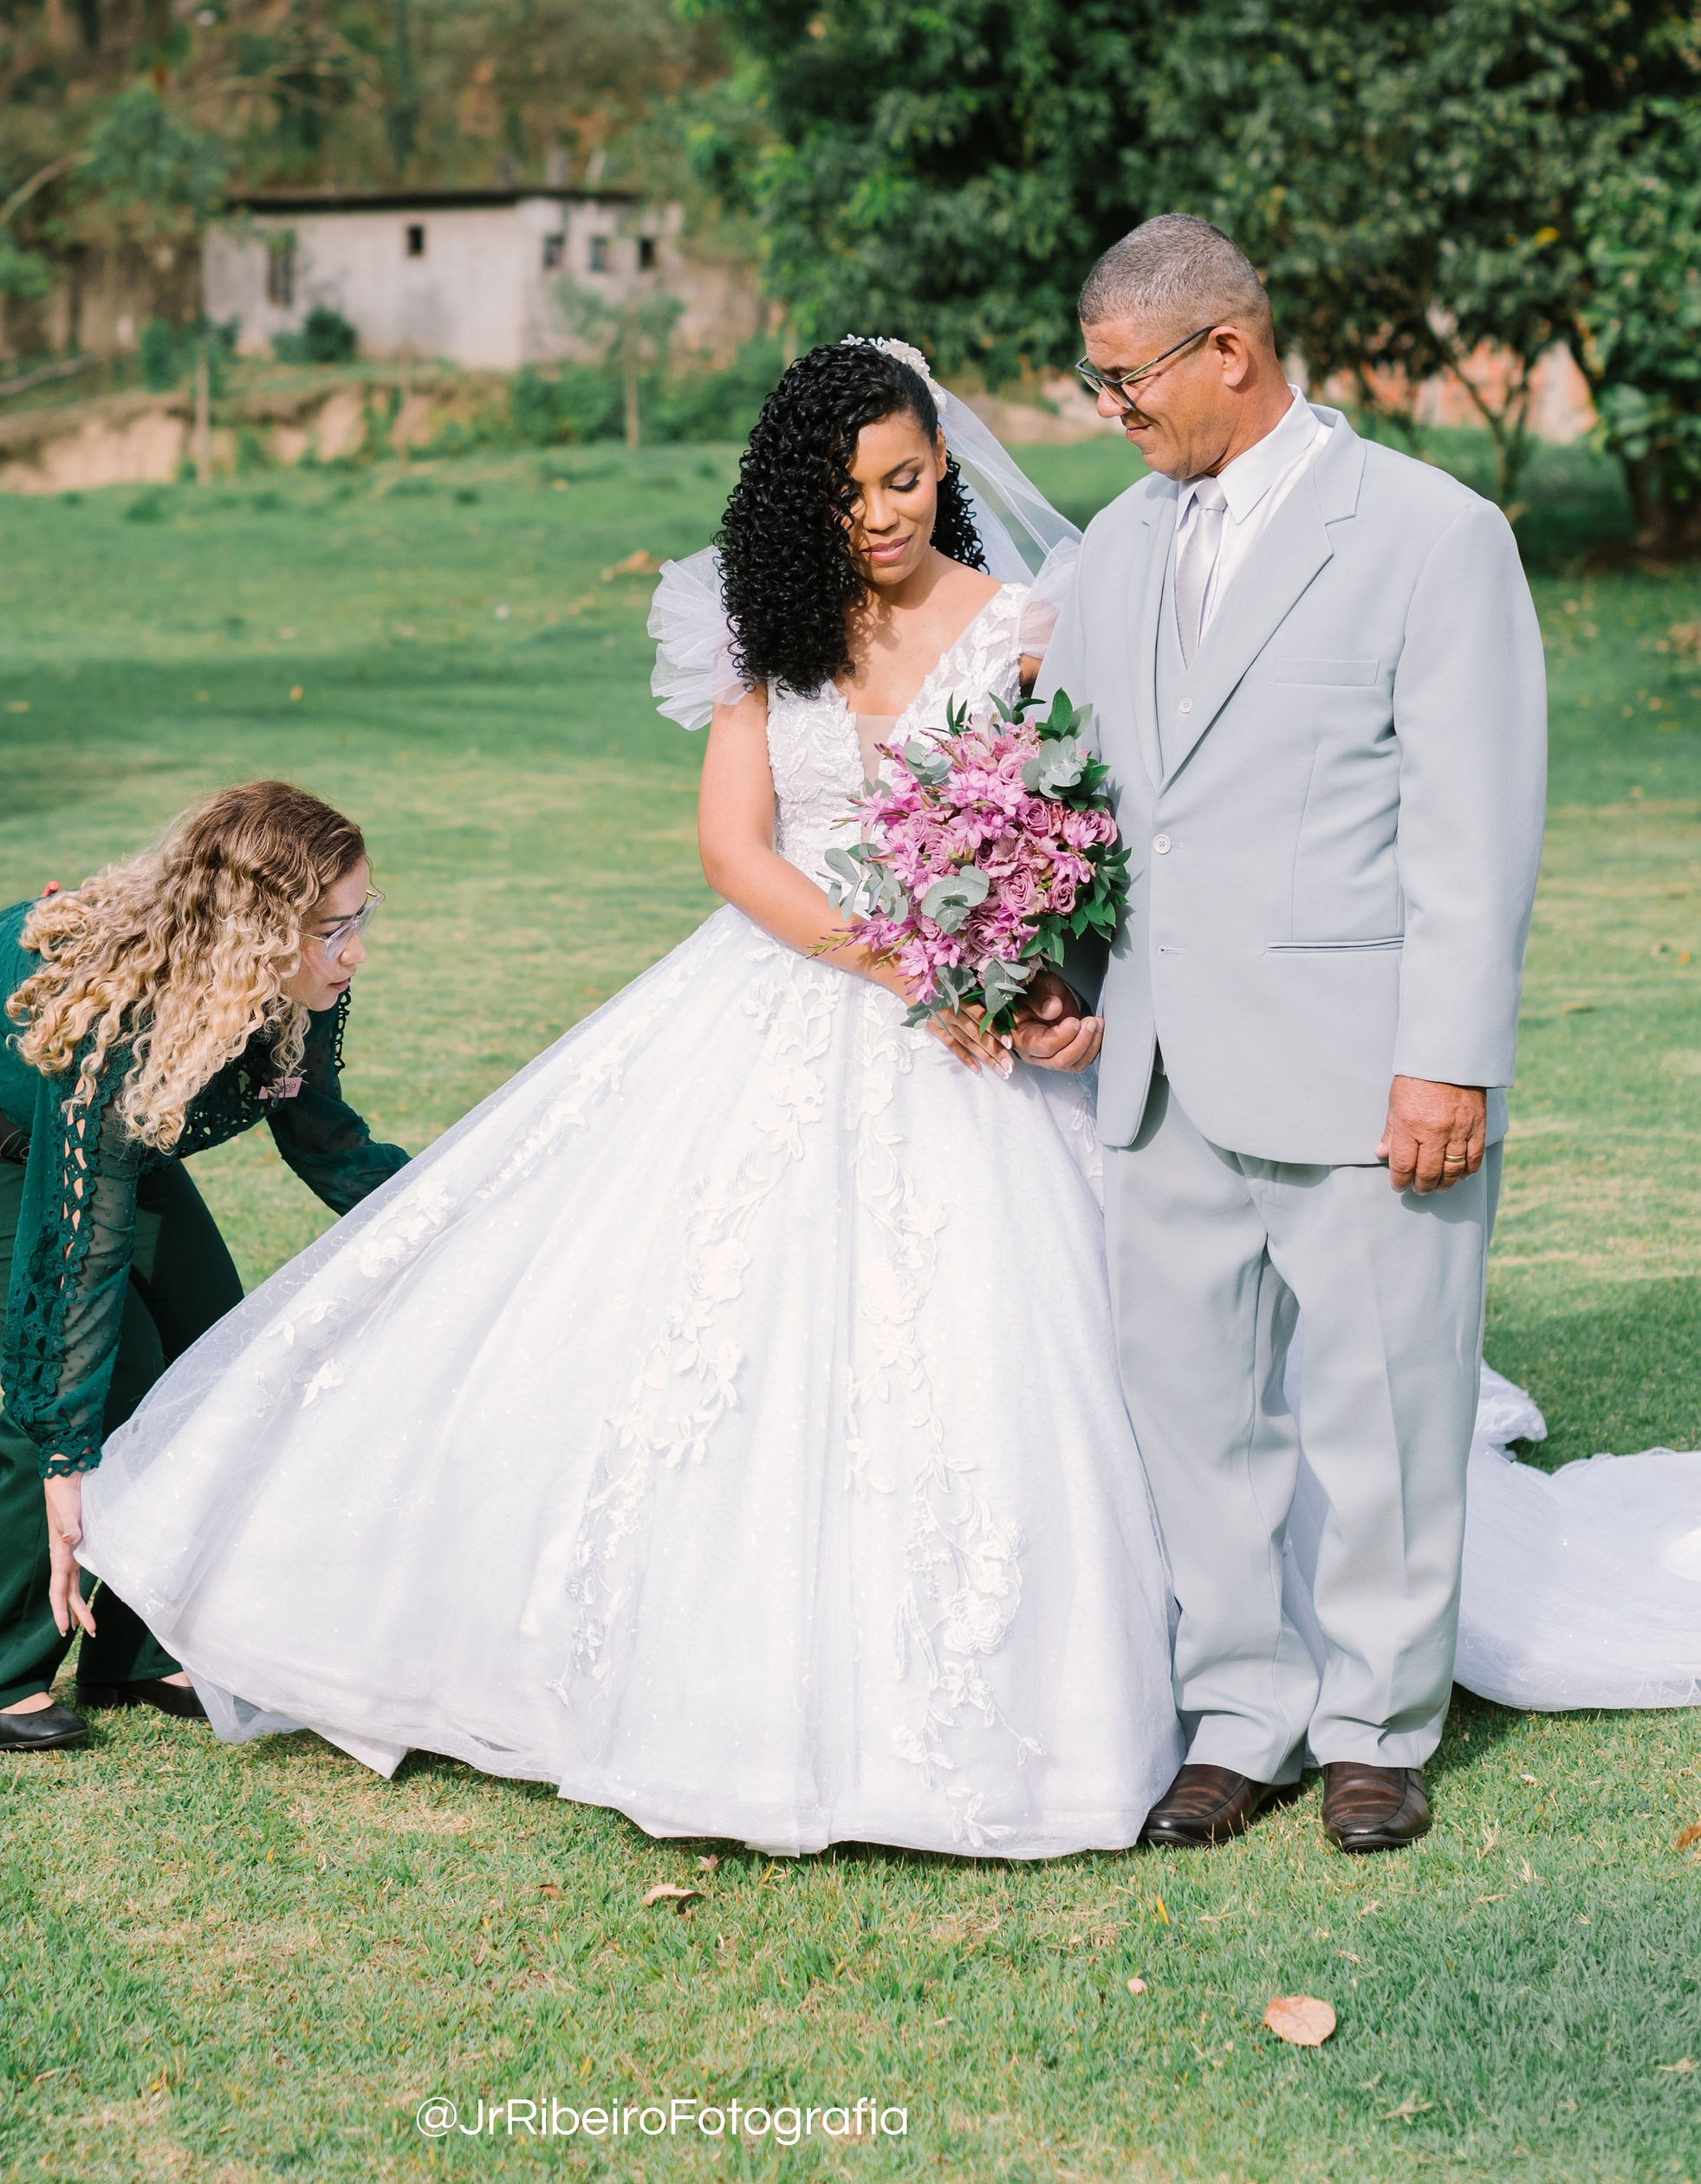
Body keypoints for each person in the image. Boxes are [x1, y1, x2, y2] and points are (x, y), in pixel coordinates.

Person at [81, 340, 1183, 1858]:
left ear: (946, 468)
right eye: (848, 492)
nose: (882, 516)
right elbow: (735, 847)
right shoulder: (773, 638)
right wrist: (897, 965)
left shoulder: (1022, 631)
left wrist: (1012, 966)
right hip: (802, 991)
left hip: (971, 1036)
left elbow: (1073, 834)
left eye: (908, 479)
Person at [1039, 214, 1548, 1856]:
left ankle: (1376, 1724)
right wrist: (1064, 977)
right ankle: (1240, 1710)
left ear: (1227, 354)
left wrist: (1446, 1059)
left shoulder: (1426, 533)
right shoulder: (1115, 544)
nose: (1107, 410)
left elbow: (1476, 823)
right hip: (1160, 1063)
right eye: (1097, 381)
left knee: (1384, 1402)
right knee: (1189, 1405)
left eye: (1125, 382)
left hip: (1359, 1059)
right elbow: (1107, 804)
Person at [0, 781, 409, 1753]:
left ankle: (140, 1649)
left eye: (361, 918)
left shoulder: (294, 983)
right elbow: (77, 1255)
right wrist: (68, 1453)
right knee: (96, 1375)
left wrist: (448, 1216)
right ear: (253, 931)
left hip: (102, 1139)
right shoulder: (124, 1014)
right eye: (331, 928)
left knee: (209, 1359)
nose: (355, 950)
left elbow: (326, 1140)